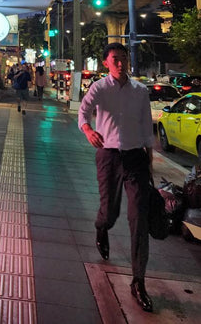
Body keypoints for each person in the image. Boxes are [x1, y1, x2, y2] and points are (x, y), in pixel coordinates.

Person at [78, 42, 155, 313]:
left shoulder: (140, 91)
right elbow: (83, 111)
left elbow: (146, 124)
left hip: (136, 159)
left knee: (138, 218)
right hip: (108, 156)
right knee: (109, 212)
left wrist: (149, 160)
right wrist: (88, 130)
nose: (121, 63)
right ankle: (102, 227)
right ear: (106, 63)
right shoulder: (99, 88)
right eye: (115, 59)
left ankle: (138, 281)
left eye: (124, 58)